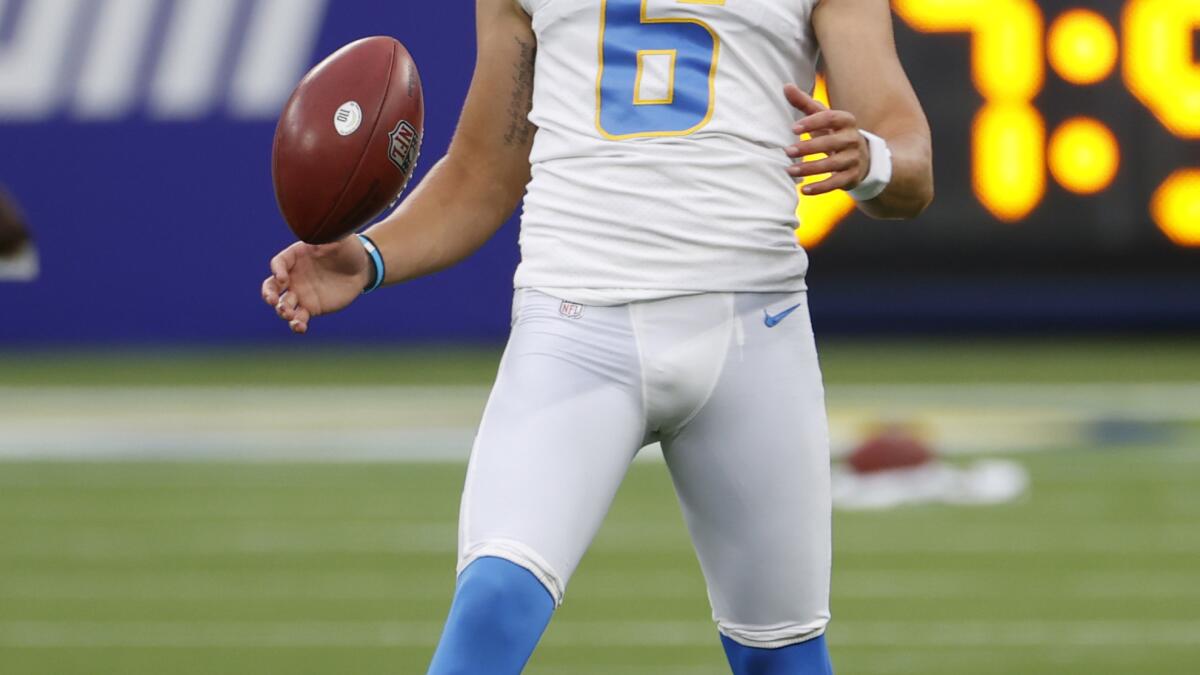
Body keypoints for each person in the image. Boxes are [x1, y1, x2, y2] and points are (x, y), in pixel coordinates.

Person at [262, 0, 932, 672]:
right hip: (575, 329)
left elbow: (907, 152)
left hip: (751, 331)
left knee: (783, 657)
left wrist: (872, 159)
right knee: (494, 600)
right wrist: (372, 256)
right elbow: (482, 171)